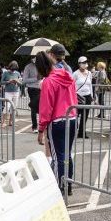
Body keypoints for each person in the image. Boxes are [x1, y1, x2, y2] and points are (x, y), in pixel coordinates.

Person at [36, 51, 78, 193]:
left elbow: (46, 108)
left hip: (57, 121)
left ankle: (59, 187)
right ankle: (68, 186)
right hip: (72, 118)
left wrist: (41, 129)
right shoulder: (68, 76)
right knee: (67, 154)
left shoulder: (48, 81)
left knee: (58, 156)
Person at [72, 56, 94, 138]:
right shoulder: (75, 74)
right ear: (79, 64)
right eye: (83, 62)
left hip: (87, 96)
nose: (85, 64)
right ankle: (73, 130)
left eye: (86, 62)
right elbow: (71, 85)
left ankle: (82, 133)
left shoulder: (89, 73)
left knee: (85, 116)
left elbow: (90, 85)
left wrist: (92, 95)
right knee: (76, 115)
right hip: (78, 96)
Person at [22, 57, 42, 132]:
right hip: (32, 89)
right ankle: (34, 126)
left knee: (42, 107)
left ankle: (42, 125)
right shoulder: (28, 67)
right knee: (34, 107)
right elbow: (24, 80)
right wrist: (36, 78)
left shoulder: (41, 65)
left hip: (42, 88)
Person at [1, 61, 22, 128]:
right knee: (7, 107)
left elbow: (21, 83)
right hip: (8, 92)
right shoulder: (5, 73)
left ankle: (11, 121)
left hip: (16, 92)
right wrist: (8, 81)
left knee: (14, 107)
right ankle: (3, 122)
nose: (13, 70)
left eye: (14, 69)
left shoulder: (17, 73)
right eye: (12, 69)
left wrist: (17, 81)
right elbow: (1, 82)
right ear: (10, 67)